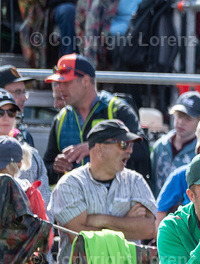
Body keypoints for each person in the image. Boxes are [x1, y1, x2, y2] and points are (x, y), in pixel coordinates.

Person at [47, 120, 157, 264]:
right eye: (123, 145)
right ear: (99, 149)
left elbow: (148, 229)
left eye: (131, 145)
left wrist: (99, 220)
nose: (130, 151)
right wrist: (127, 224)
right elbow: (79, 238)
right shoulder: (71, 183)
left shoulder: (135, 180)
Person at [42, 54, 151, 186]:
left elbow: (142, 150)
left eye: (66, 82)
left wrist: (96, 147)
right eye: (59, 83)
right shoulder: (61, 119)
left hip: (116, 202)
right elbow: (46, 170)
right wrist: (56, 168)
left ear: (86, 81)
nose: (60, 88)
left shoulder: (117, 110)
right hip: (77, 202)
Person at [150, 90, 200, 193]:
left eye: (188, 118)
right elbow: (152, 181)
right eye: (179, 116)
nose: (180, 122)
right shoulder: (160, 146)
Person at [0, 89, 47, 202]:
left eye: (11, 112)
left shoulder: (32, 156)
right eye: (0, 112)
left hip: (26, 218)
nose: (6, 117)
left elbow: (44, 200)